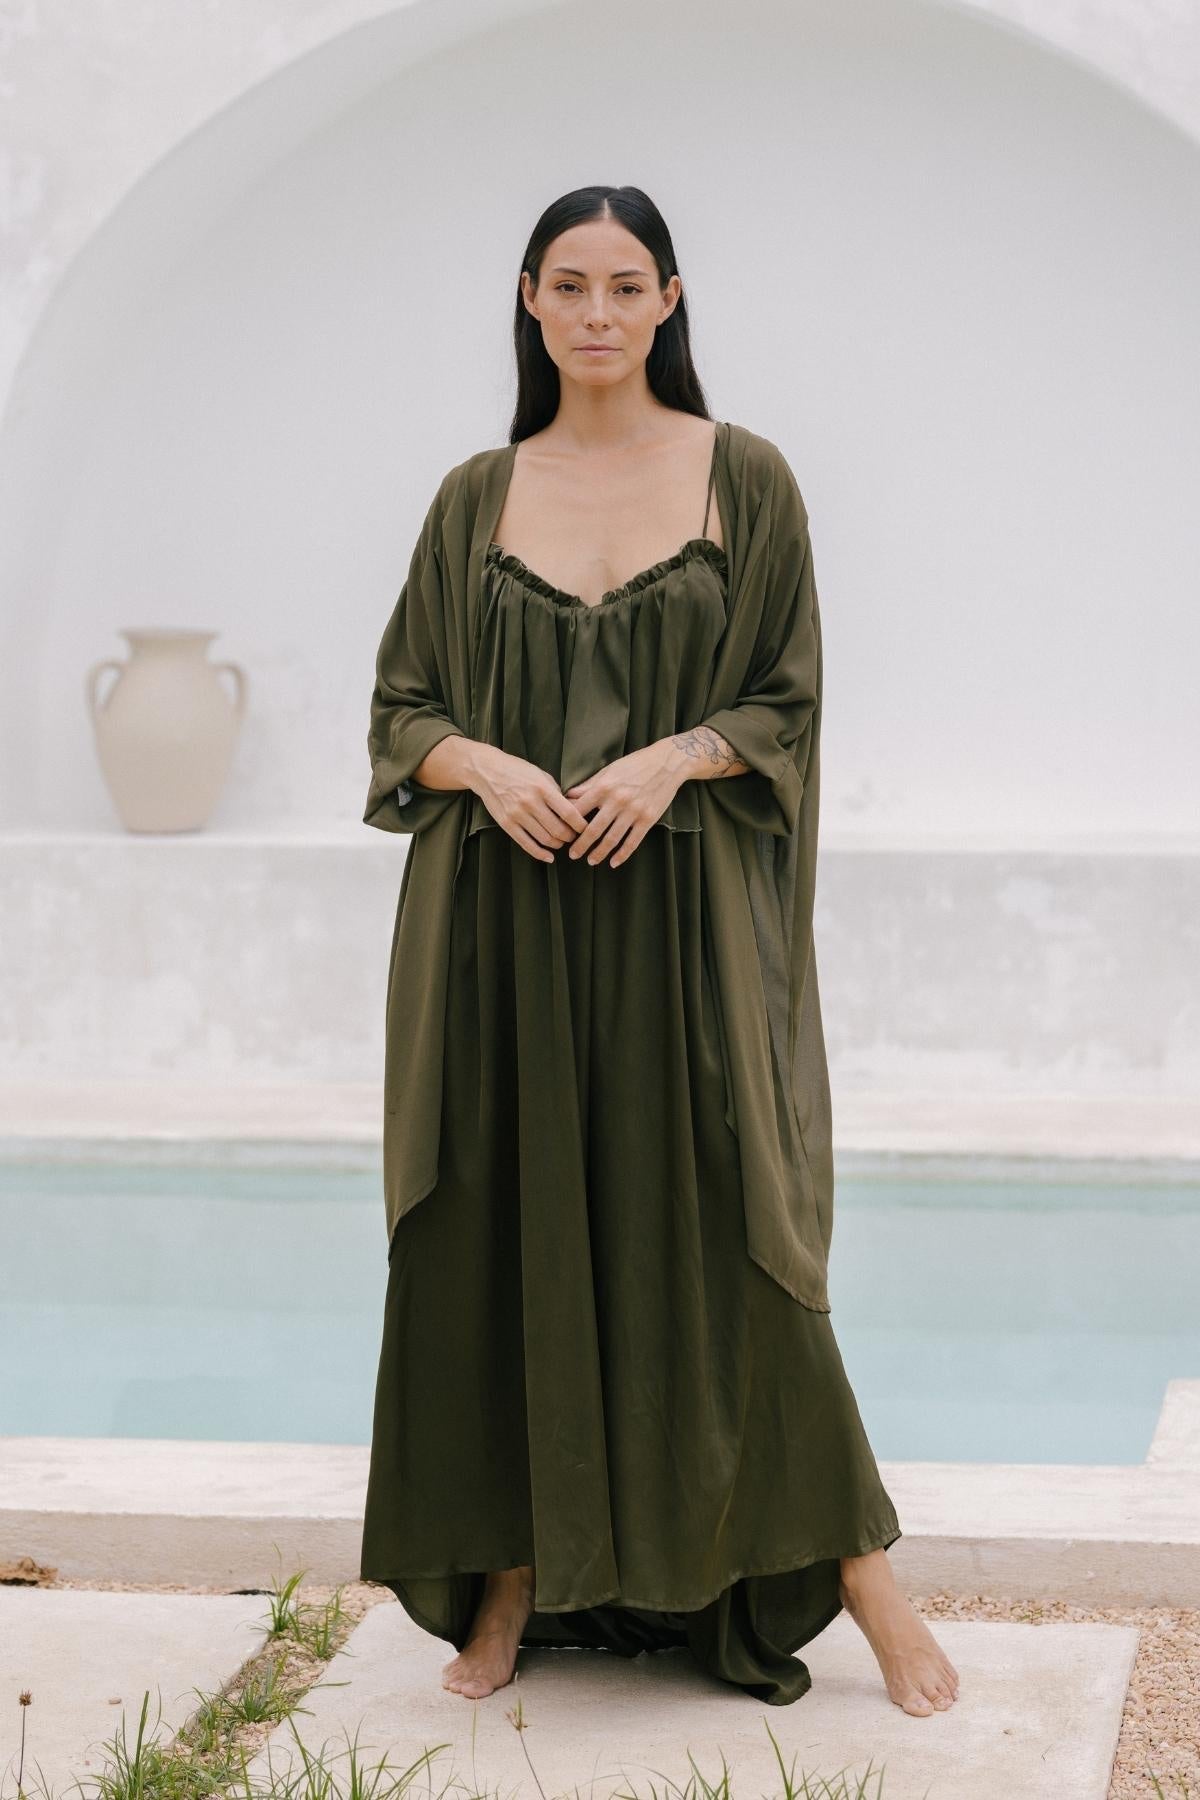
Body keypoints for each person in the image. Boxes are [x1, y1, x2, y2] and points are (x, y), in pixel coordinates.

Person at [359, 184, 960, 1716]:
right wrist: (489, 769)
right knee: (496, 1228)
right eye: (572, 286)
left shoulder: (744, 477)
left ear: (671, 302)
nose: (601, 314)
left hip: (687, 930)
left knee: (737, 1235)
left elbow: (789, 701)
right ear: (531, 301)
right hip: (503, 935)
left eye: (629, 286)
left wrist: (670, 757)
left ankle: (864, 1577)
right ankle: (502, 1582)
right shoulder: (473, 493)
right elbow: (400, 718)